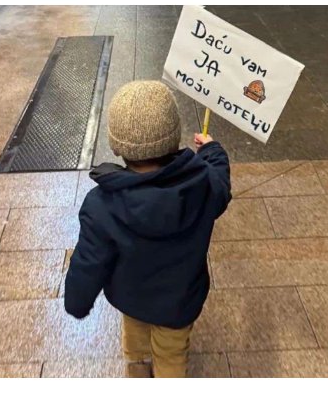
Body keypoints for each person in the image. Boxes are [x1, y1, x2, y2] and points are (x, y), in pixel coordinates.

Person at [64, 80, 231, 378]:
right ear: (172, 138)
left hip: (131, 297)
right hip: (180, 301)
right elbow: (220, 182)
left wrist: (77, 301)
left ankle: (138, 371)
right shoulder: (203, 185)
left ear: (118, 145)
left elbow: (88, 261)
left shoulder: (102, 204)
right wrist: (213, 150)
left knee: (136, 342)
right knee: (171, 353)